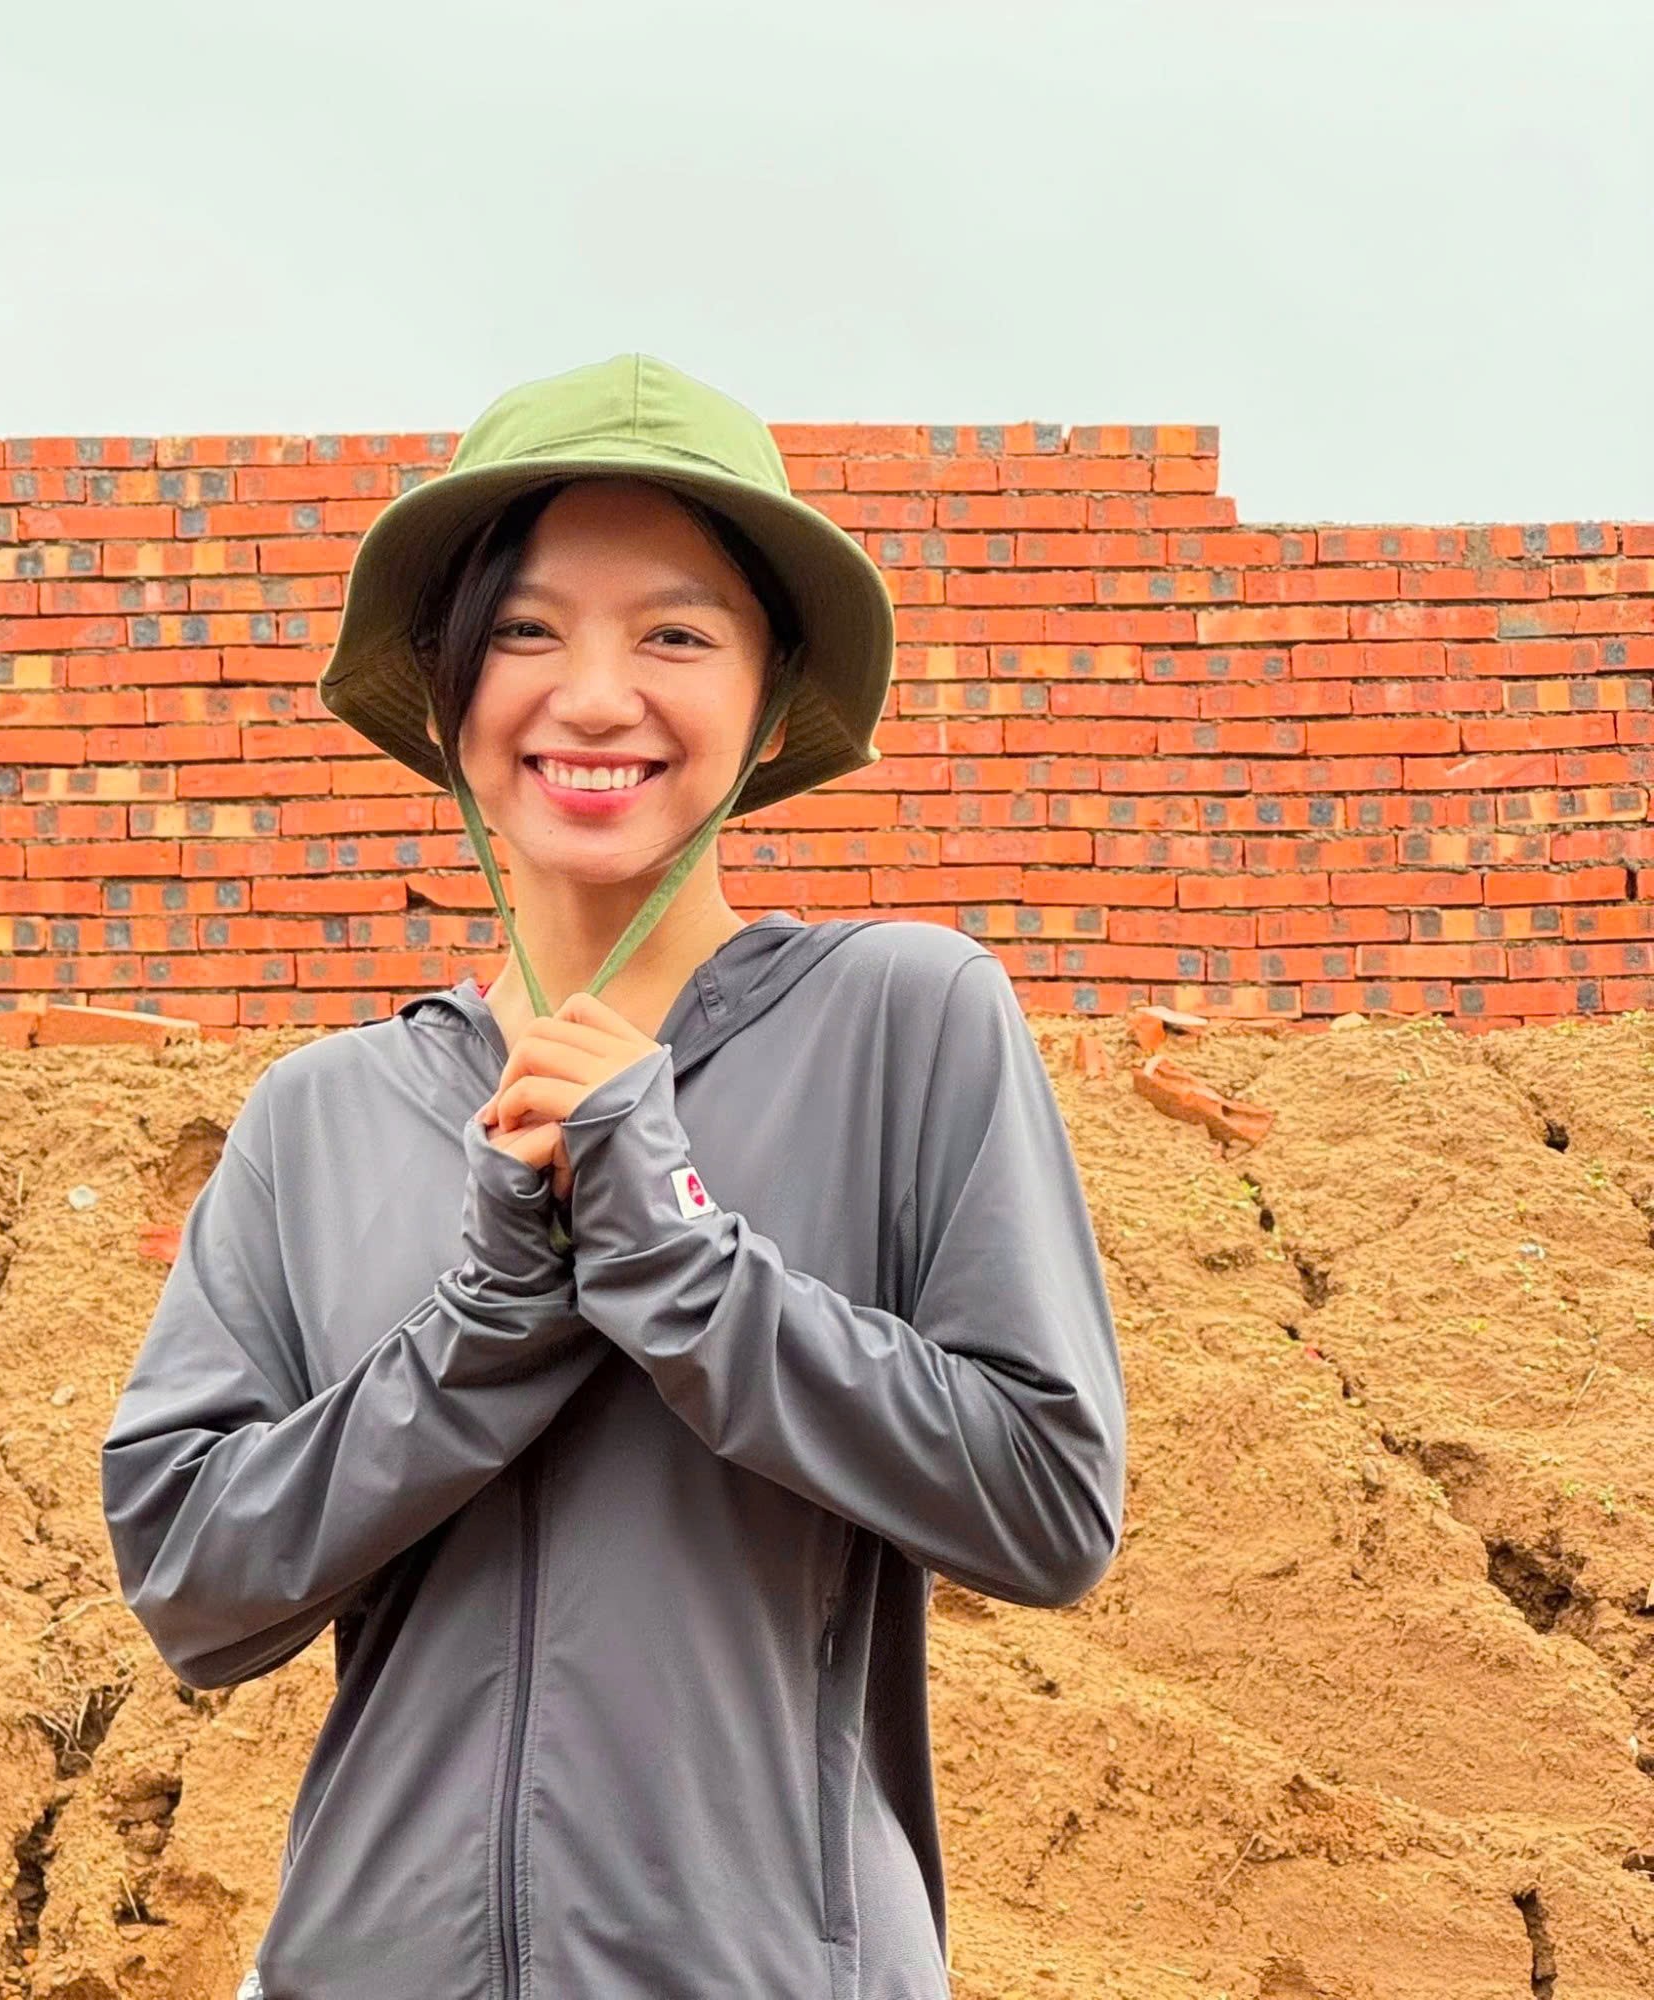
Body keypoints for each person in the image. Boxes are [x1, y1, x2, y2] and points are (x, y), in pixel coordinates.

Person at [101, 352, 1128, 2000]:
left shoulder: (904, 1018)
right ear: (445, 696)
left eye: (675, 635)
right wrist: (489, 1321)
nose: (591, 698)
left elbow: (1047, 1504)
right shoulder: (320, 1113)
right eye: (525, 632)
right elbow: (193, 1587)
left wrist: (677, 1258)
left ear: (772, 701)